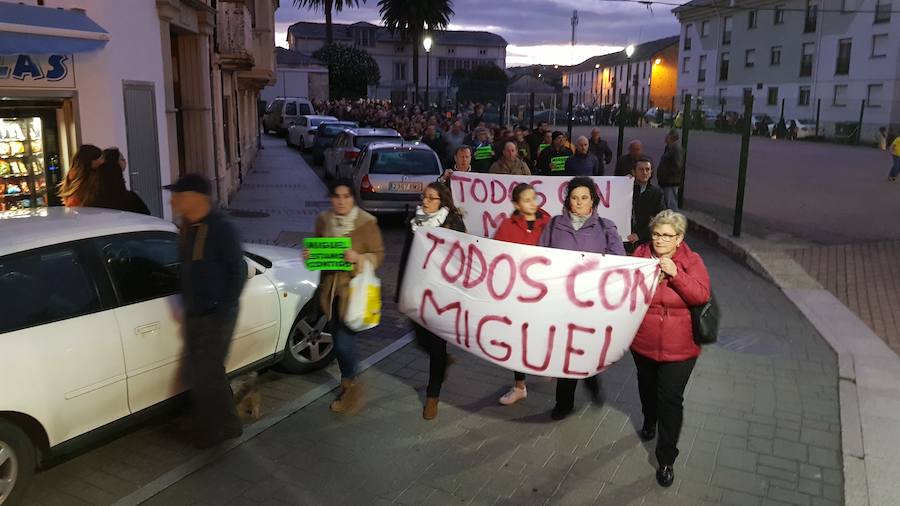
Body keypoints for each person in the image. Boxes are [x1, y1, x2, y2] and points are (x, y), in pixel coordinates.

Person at [630, 210, 710, 487]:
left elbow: (701, 294)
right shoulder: (639, 256)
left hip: (680, 349)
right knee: (647, 390)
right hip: (643, 343)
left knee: (671, 401)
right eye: (656, 234)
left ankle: (666, 459)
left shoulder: (692, 260)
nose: (660, 240)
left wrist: (676, 275)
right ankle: (648, 418)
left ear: (679, 238)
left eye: (667, 235)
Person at [166, 174, 246, 449]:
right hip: (195, 313)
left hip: (216, 314)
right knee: (205, 372)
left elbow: (238, 271)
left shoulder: (222, 228)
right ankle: (225, 423)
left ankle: (217, 430)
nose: (171, 200)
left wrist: (222, 307)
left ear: (195, 197)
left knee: (206, 373)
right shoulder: (188, 226)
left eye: (177, 194)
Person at [539, 177, 626, 420]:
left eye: (584, 197)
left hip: (591, 301)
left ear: (593, 201)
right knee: (565, 350)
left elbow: (618, 261)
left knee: (585, 348)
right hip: (561, 301)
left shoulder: (606, 227)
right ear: (567, 200)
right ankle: (563, 402)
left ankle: (591, 379)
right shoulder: (554, 224)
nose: (579, 202)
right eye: (574, 197)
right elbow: (539, 257)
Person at [306, 179, 385, 414]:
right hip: (330, 294)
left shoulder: (366, 223)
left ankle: (352, 387)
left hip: (354, 294)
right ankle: (349, 384)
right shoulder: (324, 220)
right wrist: (311, 255)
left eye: (346, 196)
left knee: (342, 343)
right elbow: (320, 254)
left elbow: (379, 255)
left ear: (353, 198)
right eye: (336, 196)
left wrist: (360, 258)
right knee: (339, 343)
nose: (341, 201)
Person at [396, 182, 466, 420]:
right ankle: (444, 361)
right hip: (418, 289)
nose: (425, 201)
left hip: (441, 295)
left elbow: (462, 259)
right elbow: (406, 256)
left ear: (442, 202)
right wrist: (400, 291)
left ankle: (432, 396)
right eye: (424, 197)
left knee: (436, 345)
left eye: (431, 198)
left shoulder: (452, 224)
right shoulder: (414, 223)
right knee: (419, 338)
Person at [492, 183, 550, 405]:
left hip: (544, 293)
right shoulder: (506, 226)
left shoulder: (548, 223)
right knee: (516, 339)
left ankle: (548, 364)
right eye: (526, 200)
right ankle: (519, 386)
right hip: (517, 294)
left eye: (534, 198)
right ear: (516, 204)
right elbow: (497, 257)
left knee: (543, 333)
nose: (532, 203)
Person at [93, 148, 151, 214]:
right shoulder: (129, 199)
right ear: (114, 164)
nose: (125, 162)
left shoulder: (90, 196)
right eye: (122, 159)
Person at [626, 158, 665, 254]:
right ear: (633, 172)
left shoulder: (657, 193)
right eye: (641, 169)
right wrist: (623, 183)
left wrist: (639, 235)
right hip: (624, 241)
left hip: (645, 243)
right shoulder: (626, 189)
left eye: (647, 169)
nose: (645, 172)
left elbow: (659, 219)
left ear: (651, 172)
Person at [657, 130, 684, 210]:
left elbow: (678, 166)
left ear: (671, 137)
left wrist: (665, 174)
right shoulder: (669, 148)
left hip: (670, 182)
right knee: (666, 202)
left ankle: (675, 221)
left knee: (671, 203)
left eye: (667, 136)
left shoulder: (676, 149)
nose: (665, 137)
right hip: (666, 181)